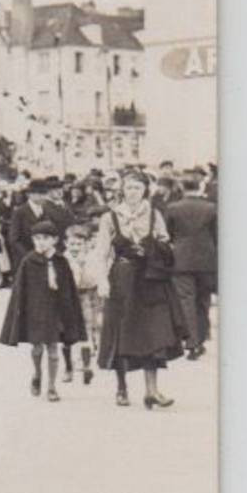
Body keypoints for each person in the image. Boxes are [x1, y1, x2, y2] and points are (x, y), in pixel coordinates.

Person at [96, 171, 187, 409]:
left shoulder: (154, 214)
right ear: (122, 190)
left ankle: (152, 391)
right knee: (121, 331)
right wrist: (102, 280)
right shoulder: (110, 217)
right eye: (128, 188)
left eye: (137, 188)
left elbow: (166, 242)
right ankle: (121, 388)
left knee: (153, 333)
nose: (132, 192)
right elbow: (102, 252)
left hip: (149, 279)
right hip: (123, 278)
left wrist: (157, 246)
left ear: (145, 190)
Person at [0, 220, 87, 402]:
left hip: (56, 312)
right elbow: (20, 291)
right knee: (37, 348)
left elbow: (69, 290)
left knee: (53, 349)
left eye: (45, 238)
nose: (40, 242)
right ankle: (37, 374)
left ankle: (52, 387)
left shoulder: (61, 262)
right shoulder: (28, 262)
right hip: (36, 312)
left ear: (54, 240)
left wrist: (70, 316)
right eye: (37, 238)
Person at [165, 174, 217, 360]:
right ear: (200, 186)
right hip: (207, 260)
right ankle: (202, 339)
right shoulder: (211, 208)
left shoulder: (172, 208)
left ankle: (192, 343)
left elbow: (168, 234)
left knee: (186, 301)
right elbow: (217, 235)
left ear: (182, 187)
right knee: (203, 301)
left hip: (181, 260)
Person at [64, 222, 106, 385]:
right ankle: (68, 367)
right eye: (72, 244)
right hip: (67, 298)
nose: (76, 247)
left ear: (86, 244)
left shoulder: (91, 258)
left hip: (85, 295)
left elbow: (94, 279)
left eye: (79, 244)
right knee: (66, 332)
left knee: (87, 328)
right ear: (66, 243)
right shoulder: (64, 258)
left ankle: (87, 366)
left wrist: (82, 266)